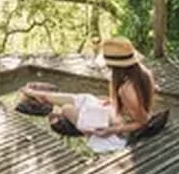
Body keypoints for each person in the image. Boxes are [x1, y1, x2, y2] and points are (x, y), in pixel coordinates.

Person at [19, 37, 155, 153]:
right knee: (85, 98)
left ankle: (39, 96)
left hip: (119, 129)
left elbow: (143, 121)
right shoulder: (143, 73)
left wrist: (111, 130)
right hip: (115, 114)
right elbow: (139, 104)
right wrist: (113, 101)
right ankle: (36, 94)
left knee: (67, 109)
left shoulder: (126, 89)